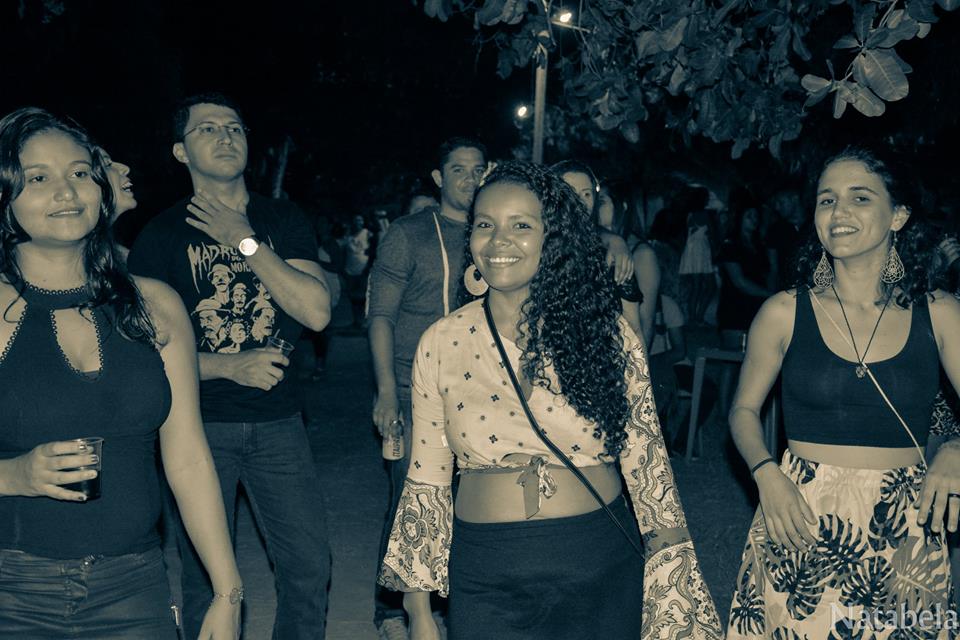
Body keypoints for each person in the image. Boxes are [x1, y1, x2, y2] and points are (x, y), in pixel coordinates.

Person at [379, 161, 723, 640]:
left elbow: (648, 465)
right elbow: (426, 479)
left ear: (553, 237)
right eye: (485, 225)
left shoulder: (606, 334)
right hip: (484, 573)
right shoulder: (442, 341)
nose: (498, 241)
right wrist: (417, 609)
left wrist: (674, 589)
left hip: (597, 565)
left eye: (521, 225)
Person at [0, 107, 242, 638]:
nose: (66, 191)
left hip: (135, 588)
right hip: (11, 589)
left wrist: (227, 592)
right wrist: (13, 476)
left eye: (79, 172)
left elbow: (189, 458)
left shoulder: (156, 306)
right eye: (38, 178)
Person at [727, 147, 960, 638]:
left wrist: (956, 448)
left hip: (905, 521)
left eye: (860, 197)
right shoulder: (783, 312)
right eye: (827, 200)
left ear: (898, 215)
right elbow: (744, 410)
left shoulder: (939, 312)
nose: (839, 212)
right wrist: (766, 473)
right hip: (800, 512)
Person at [128, 92, 332, 640]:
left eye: (234, 127)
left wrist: (243, 240)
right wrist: (227, 366)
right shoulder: (160, 235)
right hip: (196, 427)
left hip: (280, 423)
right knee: (202, 578)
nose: (225, 136)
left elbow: (315, 310)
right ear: (180, 151)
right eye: (208, 129)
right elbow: (140, 349)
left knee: (308, 567)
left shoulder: (281, 218)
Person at [367, 136, 489, 639]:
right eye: (458, 169)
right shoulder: (409, 233)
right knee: (411, 501)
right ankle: (392, 611)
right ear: (439, 178)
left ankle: (449, 607)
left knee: (471, 505)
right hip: (413, 390)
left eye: (478, 169)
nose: (469, 179)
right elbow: (380, 316)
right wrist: (386, 392)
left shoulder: (493, 233)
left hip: (480, 394)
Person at [552, 160, 652, 343]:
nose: (579, 201)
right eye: (569, 192)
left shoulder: (610, 257)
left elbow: (635, 330)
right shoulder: (533, 249)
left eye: (586, 194)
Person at [597, 181, 662, 347]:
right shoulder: (599, 245)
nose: (595, 207)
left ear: (623, 206)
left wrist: (639, 362)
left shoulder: (642, 254)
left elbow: (646, 323)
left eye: (602, 201)